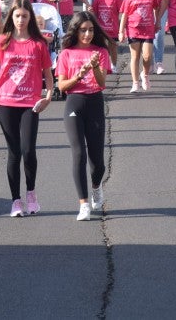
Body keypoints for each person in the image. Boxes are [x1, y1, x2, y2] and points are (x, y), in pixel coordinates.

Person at [0, 0, 55, 217]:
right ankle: (16, 201)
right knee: (13, 152)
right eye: (17, 16)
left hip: (29, 103)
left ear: (30, 17)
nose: (21, 20)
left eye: (24, 16)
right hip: (5, 101)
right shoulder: (1, 42)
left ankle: (31, 194)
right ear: (11, 17)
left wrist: (48, 97)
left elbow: (48, 76)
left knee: (28, 150)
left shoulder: (38, 44)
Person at [56, 12, 113, 221]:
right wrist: (78, 75)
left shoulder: (100, 51)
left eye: (90, 30)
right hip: (74, 103)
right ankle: (83, 204)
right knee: (78, 153)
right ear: (75, 30)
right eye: (83, 30)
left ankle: (96, 186)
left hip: (95, 102)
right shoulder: (66, 54)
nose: (87, 34)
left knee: (97, 161)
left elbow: (101, 83)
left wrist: (96, 66)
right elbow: (61, 86)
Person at [119, 0, 158, 93]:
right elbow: (124, 15)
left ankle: (145, 75)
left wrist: (157, 22)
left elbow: (156, 9)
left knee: (147, 56)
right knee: (135, 57)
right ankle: (135, 82)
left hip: (148, 30)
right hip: (133, 30)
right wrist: (121, 31)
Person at [91, 0, 122, 66]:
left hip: (113, 29)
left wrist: (121, 28)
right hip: (101, 29)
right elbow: (95, 14)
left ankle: (114, 65)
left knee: (113, 48)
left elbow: (121, 13)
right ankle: (103, 65)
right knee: (102, 48)